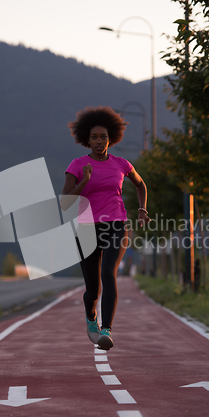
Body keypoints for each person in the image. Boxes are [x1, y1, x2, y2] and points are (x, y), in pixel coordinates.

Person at [62, 106, 150, 350]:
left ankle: (107, 330)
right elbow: (66, 201)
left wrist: (143, 209)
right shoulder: (78, 165)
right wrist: (85, 181)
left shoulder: (122, 164)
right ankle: (91, 316)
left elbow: (141, 185)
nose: (99, 141)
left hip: (117, 224)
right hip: (87, 227)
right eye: (94, 137)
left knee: (108, 273)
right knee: (93, 289)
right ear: (86, 140)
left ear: (111, 137)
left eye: (103, 137)